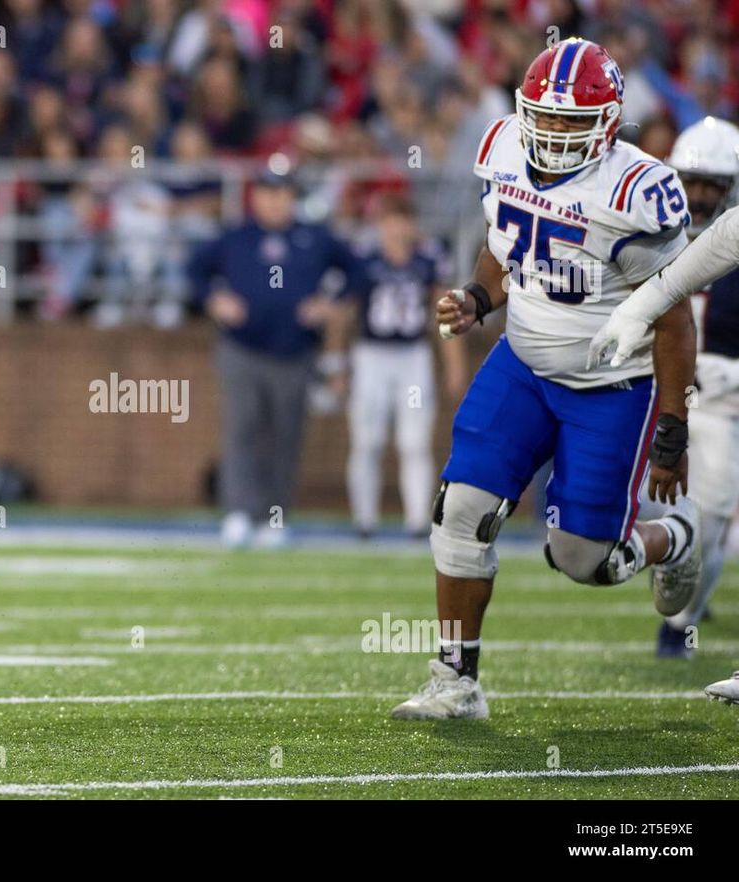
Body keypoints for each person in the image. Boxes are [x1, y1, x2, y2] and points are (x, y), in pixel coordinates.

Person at [393, 38, 701, 721]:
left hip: (611, 388)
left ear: (609, 122)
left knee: (585, 559)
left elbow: (675, 322)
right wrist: (477, 299)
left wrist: (673, 428)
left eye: (571, 121)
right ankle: (456, 680)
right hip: (524, 365)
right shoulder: (503, 148)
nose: (555, 132)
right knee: (461, 511)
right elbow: (504, 248)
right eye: (545, 116)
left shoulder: (636, 189)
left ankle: (673, 538)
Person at [589, 117, 739, 700]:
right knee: (696, 510)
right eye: (692, 181)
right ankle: (681, 610)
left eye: (713, 183)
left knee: (717, 512)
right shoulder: (657, 226)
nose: (700, 194)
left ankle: (683, 617)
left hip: (723, 391)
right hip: (676, 395)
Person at [189, 168, 367, 548]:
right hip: (242, 348)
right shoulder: (238, 237)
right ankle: (239, 513)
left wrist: (329, 305)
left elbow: (357, 270)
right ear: (256, 198)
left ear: (292, 197)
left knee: (286, 436)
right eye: (268, 193)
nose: (274, 201)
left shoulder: (313, 238)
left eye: (282, 193)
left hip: (295, 350)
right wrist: (214, 299)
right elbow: (195, 268)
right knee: (242, 431)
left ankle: (274, 516)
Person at [331, 194, 466, 538]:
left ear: (412, 224)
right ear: (379, 224)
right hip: (370, 356)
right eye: (389, 220)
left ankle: (417, 522)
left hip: (412, 358)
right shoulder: (363, 260)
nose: (396, 229)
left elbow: (445, 312)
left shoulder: (427, 260)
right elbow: (342, 315)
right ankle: (364, 521)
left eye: (402, 220)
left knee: (415, 442)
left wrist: (454, 364)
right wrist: (336, 364)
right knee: (366, 441)